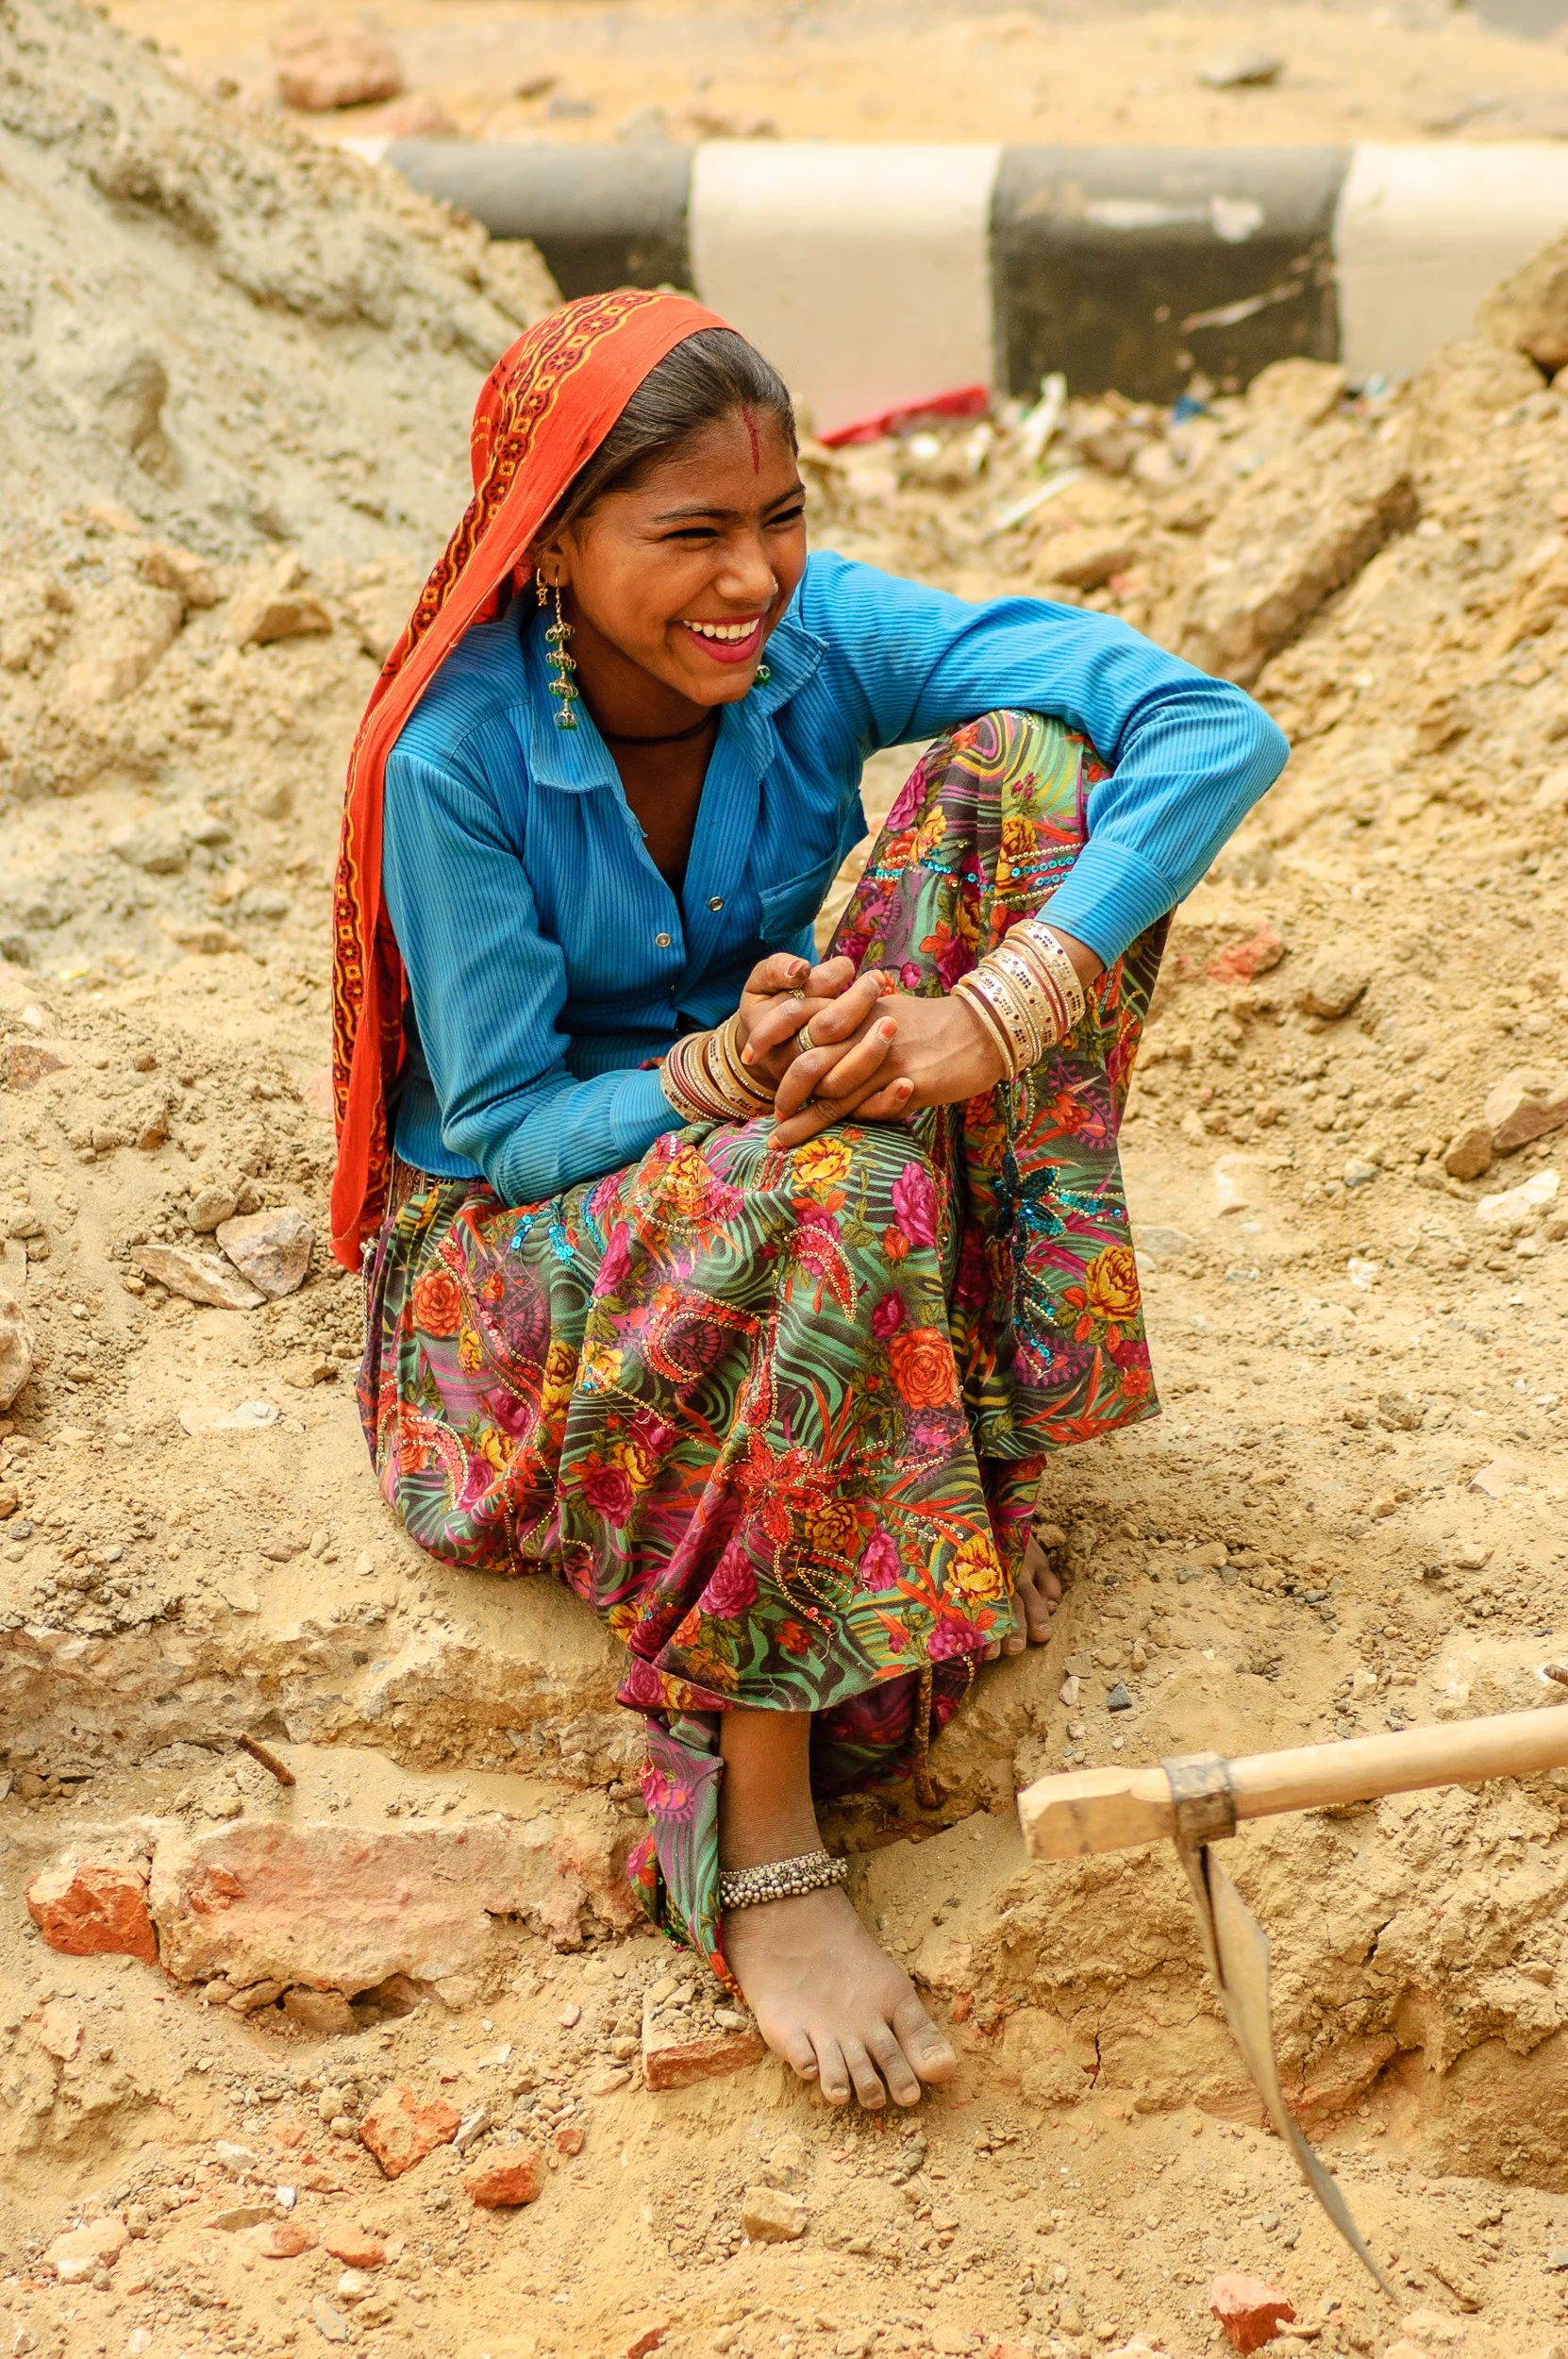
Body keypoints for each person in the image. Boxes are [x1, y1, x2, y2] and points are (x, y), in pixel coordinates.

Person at [330, 289, 1288, 2113]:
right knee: (833, 1185)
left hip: (797, 1126)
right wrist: (723, 1077)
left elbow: (1205, 725)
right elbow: (511, 1127)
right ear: (547, 544)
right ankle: (763, 1841)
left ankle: (947, 1401)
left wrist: (985, 1008)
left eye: (778, 518)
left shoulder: (810, 642)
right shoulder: (447, 757)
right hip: (521, 1263)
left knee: (1030, 771)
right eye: (689, 531)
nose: (751, 578)